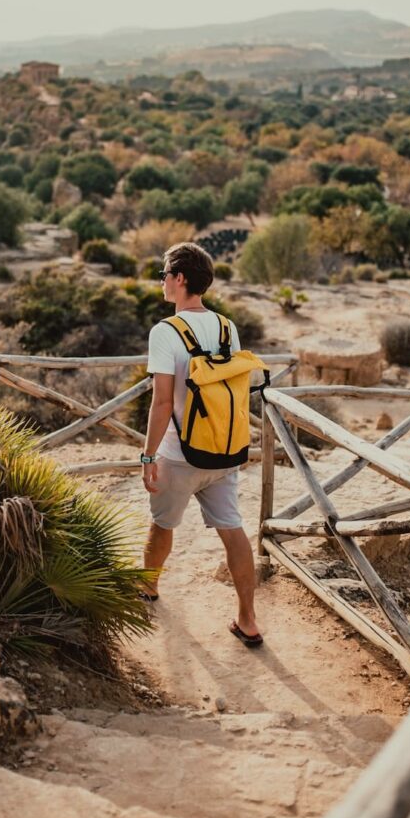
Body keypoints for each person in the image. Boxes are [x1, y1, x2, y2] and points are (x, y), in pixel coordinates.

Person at [139, 242, 262, 647]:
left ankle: (149, 588)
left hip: (179, 454)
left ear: (179, 278)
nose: (162, 282)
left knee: (162, 525)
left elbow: (161, 402)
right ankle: (248, 619)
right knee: (233, 530)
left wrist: (148, 455)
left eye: (164, 275)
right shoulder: (228, 327)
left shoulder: (165, 331)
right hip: (225, 452)